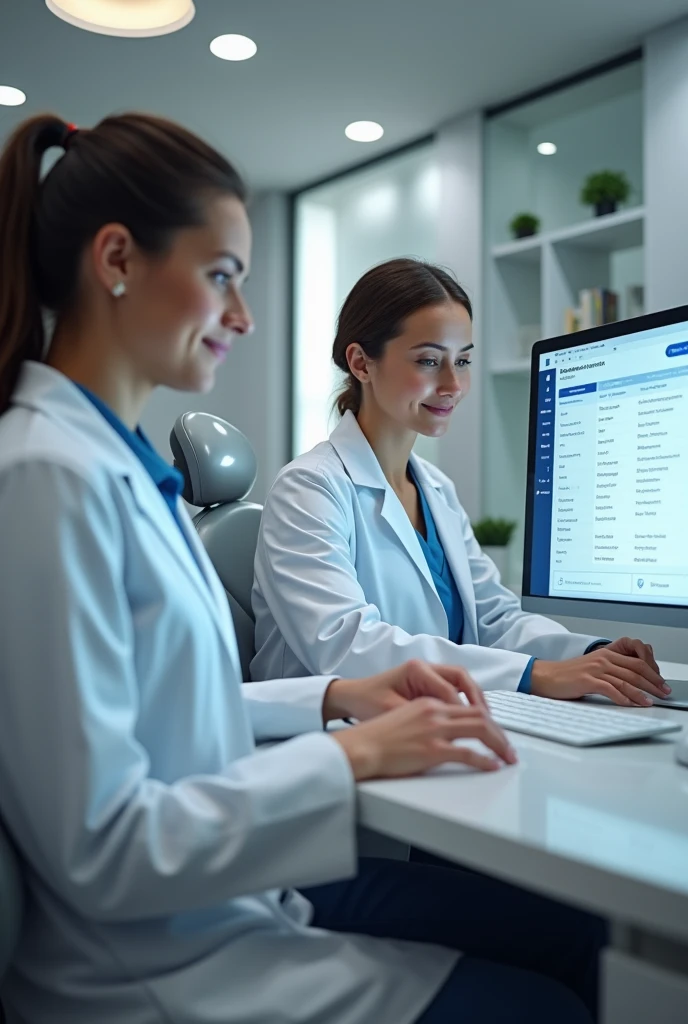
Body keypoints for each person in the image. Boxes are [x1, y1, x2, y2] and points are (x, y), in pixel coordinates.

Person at [0, 113, 603, 1024]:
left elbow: (166, 701)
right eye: (222, 278)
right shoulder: (47, 476)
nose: (243, 317)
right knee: (553, 997)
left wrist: (329, 701)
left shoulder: (112, 469)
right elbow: (104, 848)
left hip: (228, 901)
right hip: (155, 967)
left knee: (578, 939)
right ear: (116, 259)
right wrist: (353, 753)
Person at [251, 258, 669, 707]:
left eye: (463, 360)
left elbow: (495, 617)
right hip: (323, 743)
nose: (453, 384)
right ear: (361, 363)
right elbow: (346, 646)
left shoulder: (435, 489)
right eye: (429, 360)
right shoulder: (310, 488)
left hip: (428, 723)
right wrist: (535, 674)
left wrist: (592, 654)